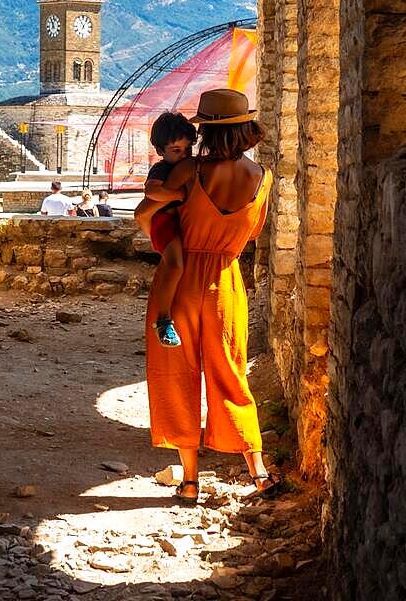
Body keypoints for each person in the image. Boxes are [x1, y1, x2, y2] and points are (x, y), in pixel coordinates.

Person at [136, 88, 277, 505]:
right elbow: (252, 234)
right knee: (231, 373)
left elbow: (148, 210)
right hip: (225, 283)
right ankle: (260, 473)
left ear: (208, 132)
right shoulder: (263, 179)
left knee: (176, 375)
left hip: (179, 286)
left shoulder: (189, 172)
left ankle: (191, 482)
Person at [134, 111, 197, 348]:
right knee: (175, 265)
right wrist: (179, 194)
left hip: (172, 222)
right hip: (163, 222)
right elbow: (151, 192)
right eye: (176, 151)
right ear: (160, 151)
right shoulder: (161, 170)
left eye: (187, 150)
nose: (183, 156)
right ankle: (163, 320)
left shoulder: (178, 165)